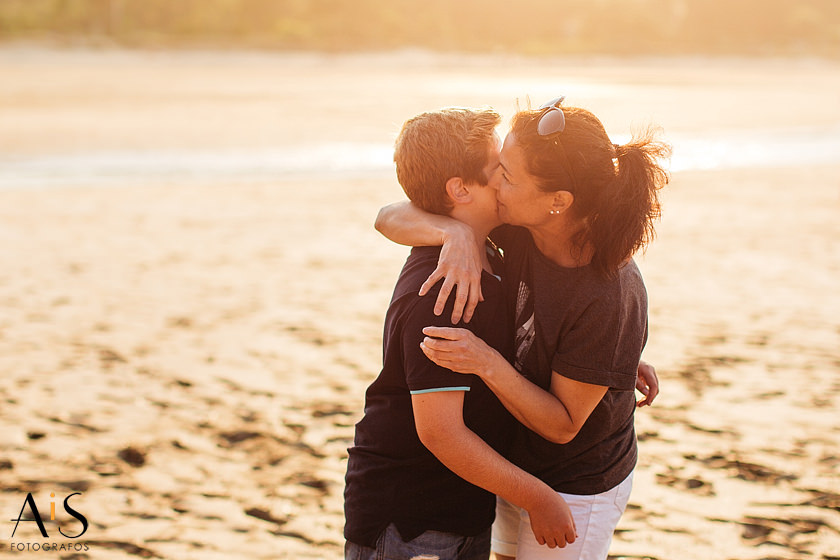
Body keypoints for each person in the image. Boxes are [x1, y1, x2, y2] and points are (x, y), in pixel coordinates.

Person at [374, 97, 668, 560]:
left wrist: (488, 363)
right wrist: (455, 233)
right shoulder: (521, 228)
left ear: (558, 202)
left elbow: (564, 424)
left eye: (507, 175)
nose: (496, 183)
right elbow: (388, 216)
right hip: (514, 464)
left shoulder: (610, 291)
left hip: (573, 482)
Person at [344, 107, 577, 560]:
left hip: (459, 507)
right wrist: (538, 497)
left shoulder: (489, 248)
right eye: (498, 171)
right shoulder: (446, 290)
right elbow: (441, 433)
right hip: (412, 520)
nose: (507, 180)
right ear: (460, 189)